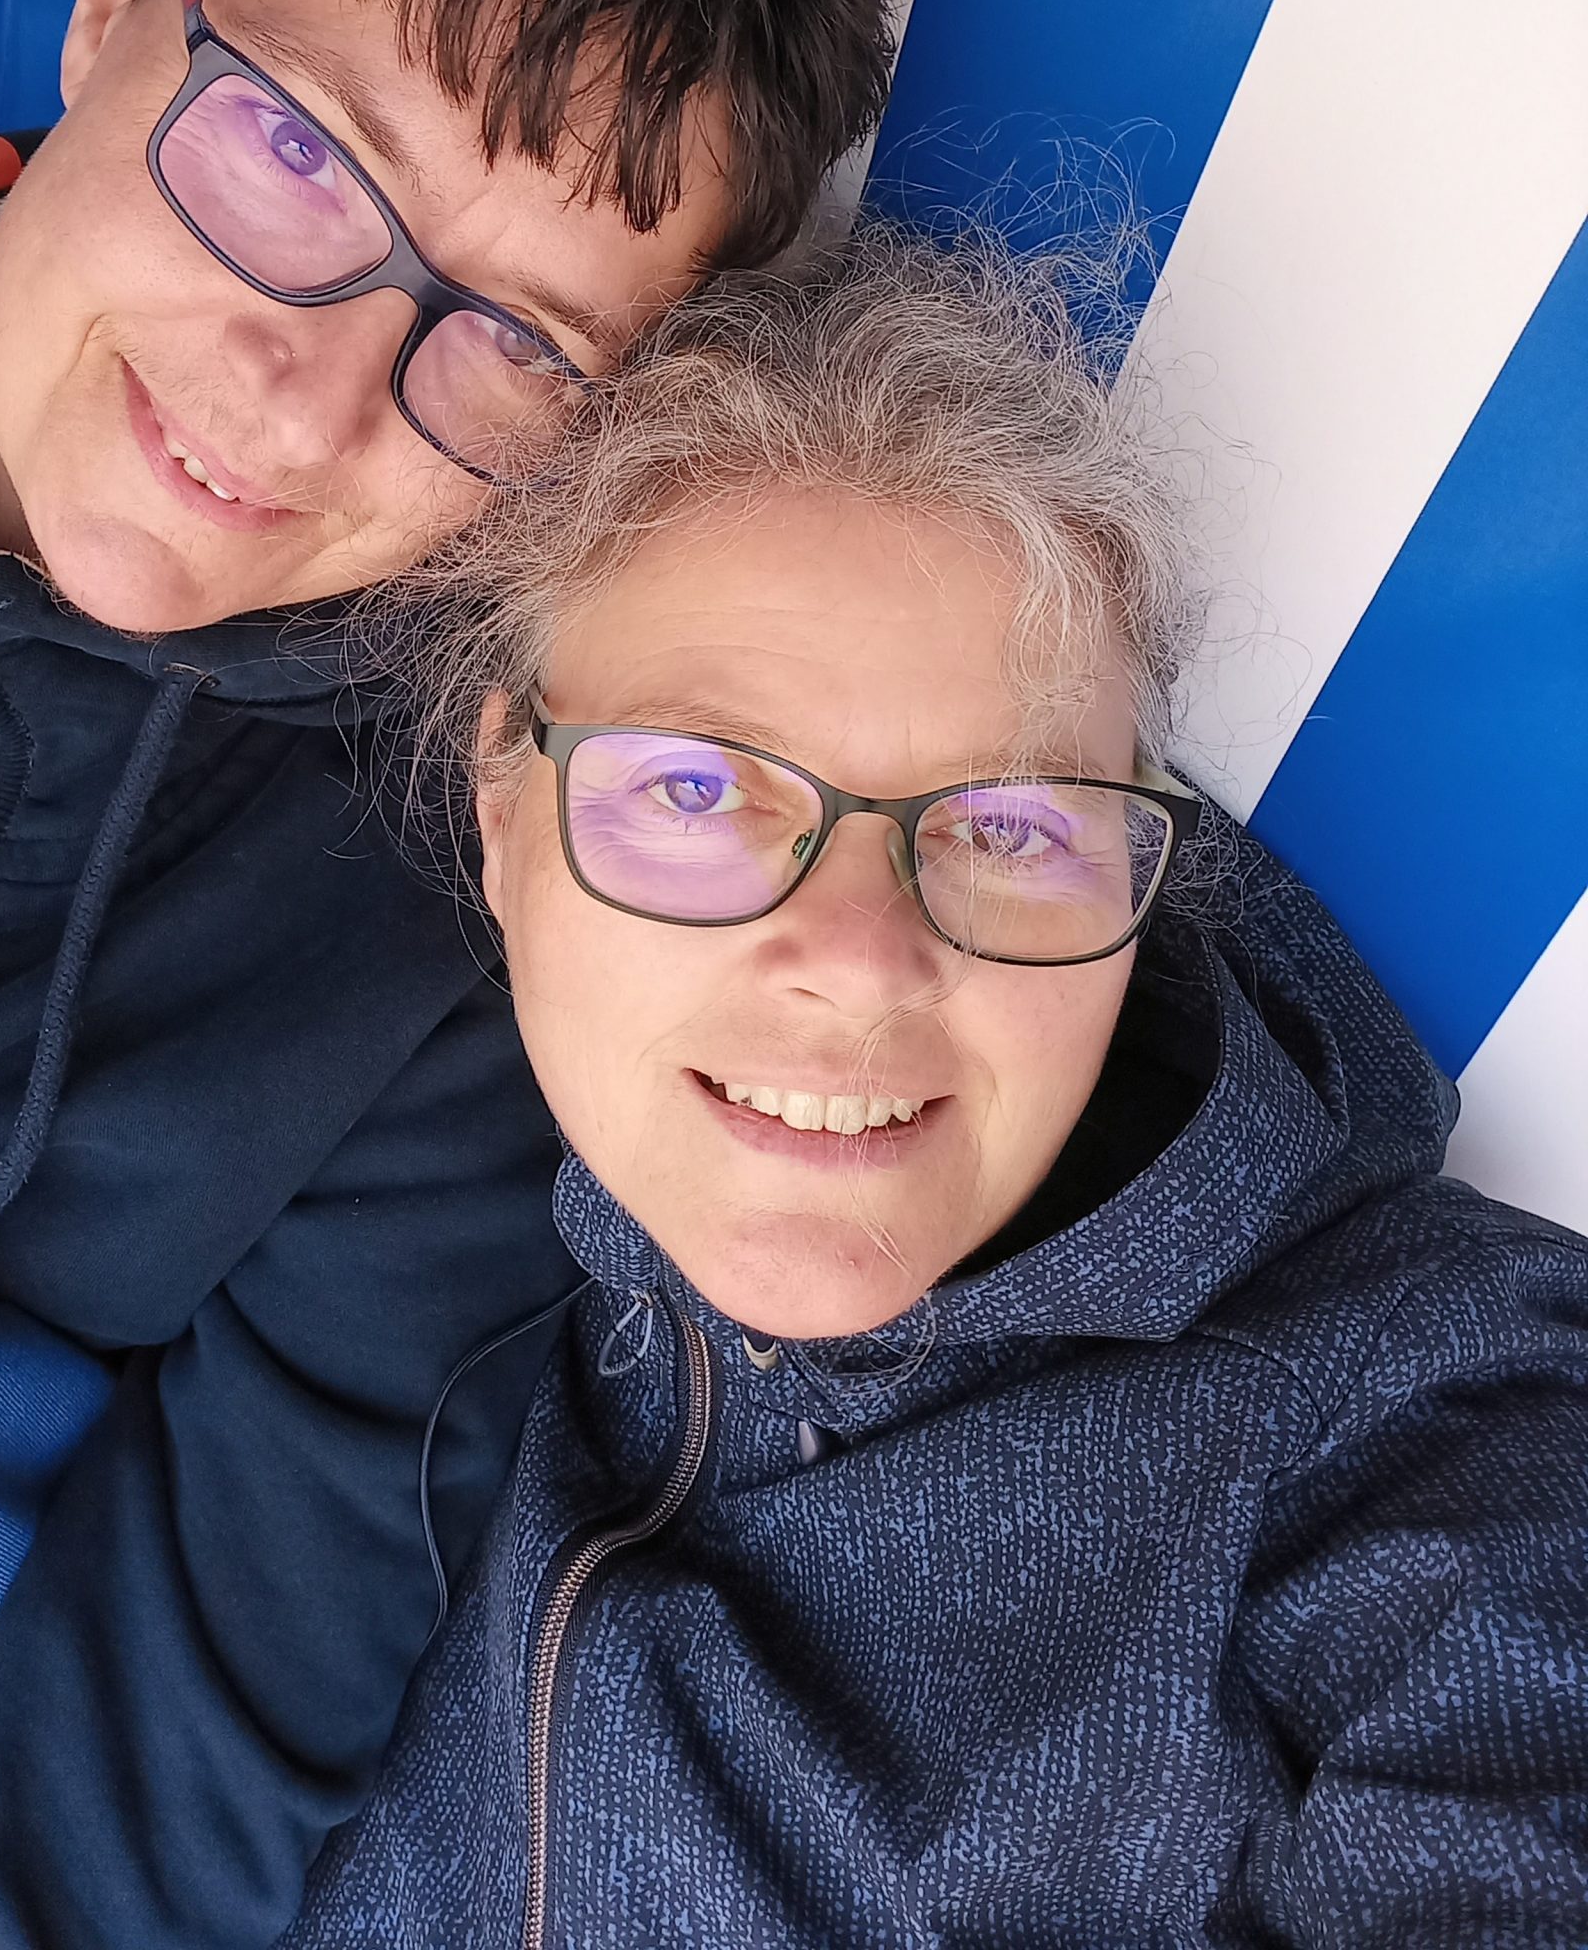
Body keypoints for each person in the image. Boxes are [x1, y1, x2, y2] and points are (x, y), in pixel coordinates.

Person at [0, 0, 896, 1949]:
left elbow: (122, 1801)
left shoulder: (459, 995)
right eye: (297, 158)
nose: (304, 392)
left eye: (513, 346)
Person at [293, 236, 1588, 1945]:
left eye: (1007, 828)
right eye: (697, 790)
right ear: (500, 809)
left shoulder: (1437, 1408)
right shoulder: (377, 1208)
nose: (860, 963)